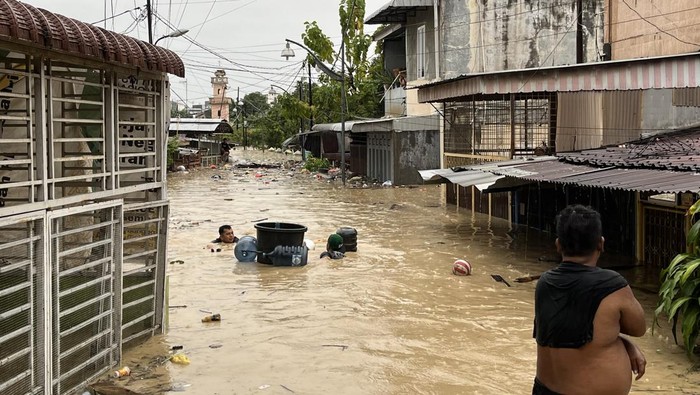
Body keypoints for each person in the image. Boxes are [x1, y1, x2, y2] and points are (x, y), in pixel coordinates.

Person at [533, 205, 647, 395]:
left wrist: (625, 344)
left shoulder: (544, 284)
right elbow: (639, 328)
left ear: (558, 244)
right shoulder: (613, 285)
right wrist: (627, 342)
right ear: (601, 244)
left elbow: (574, 337)